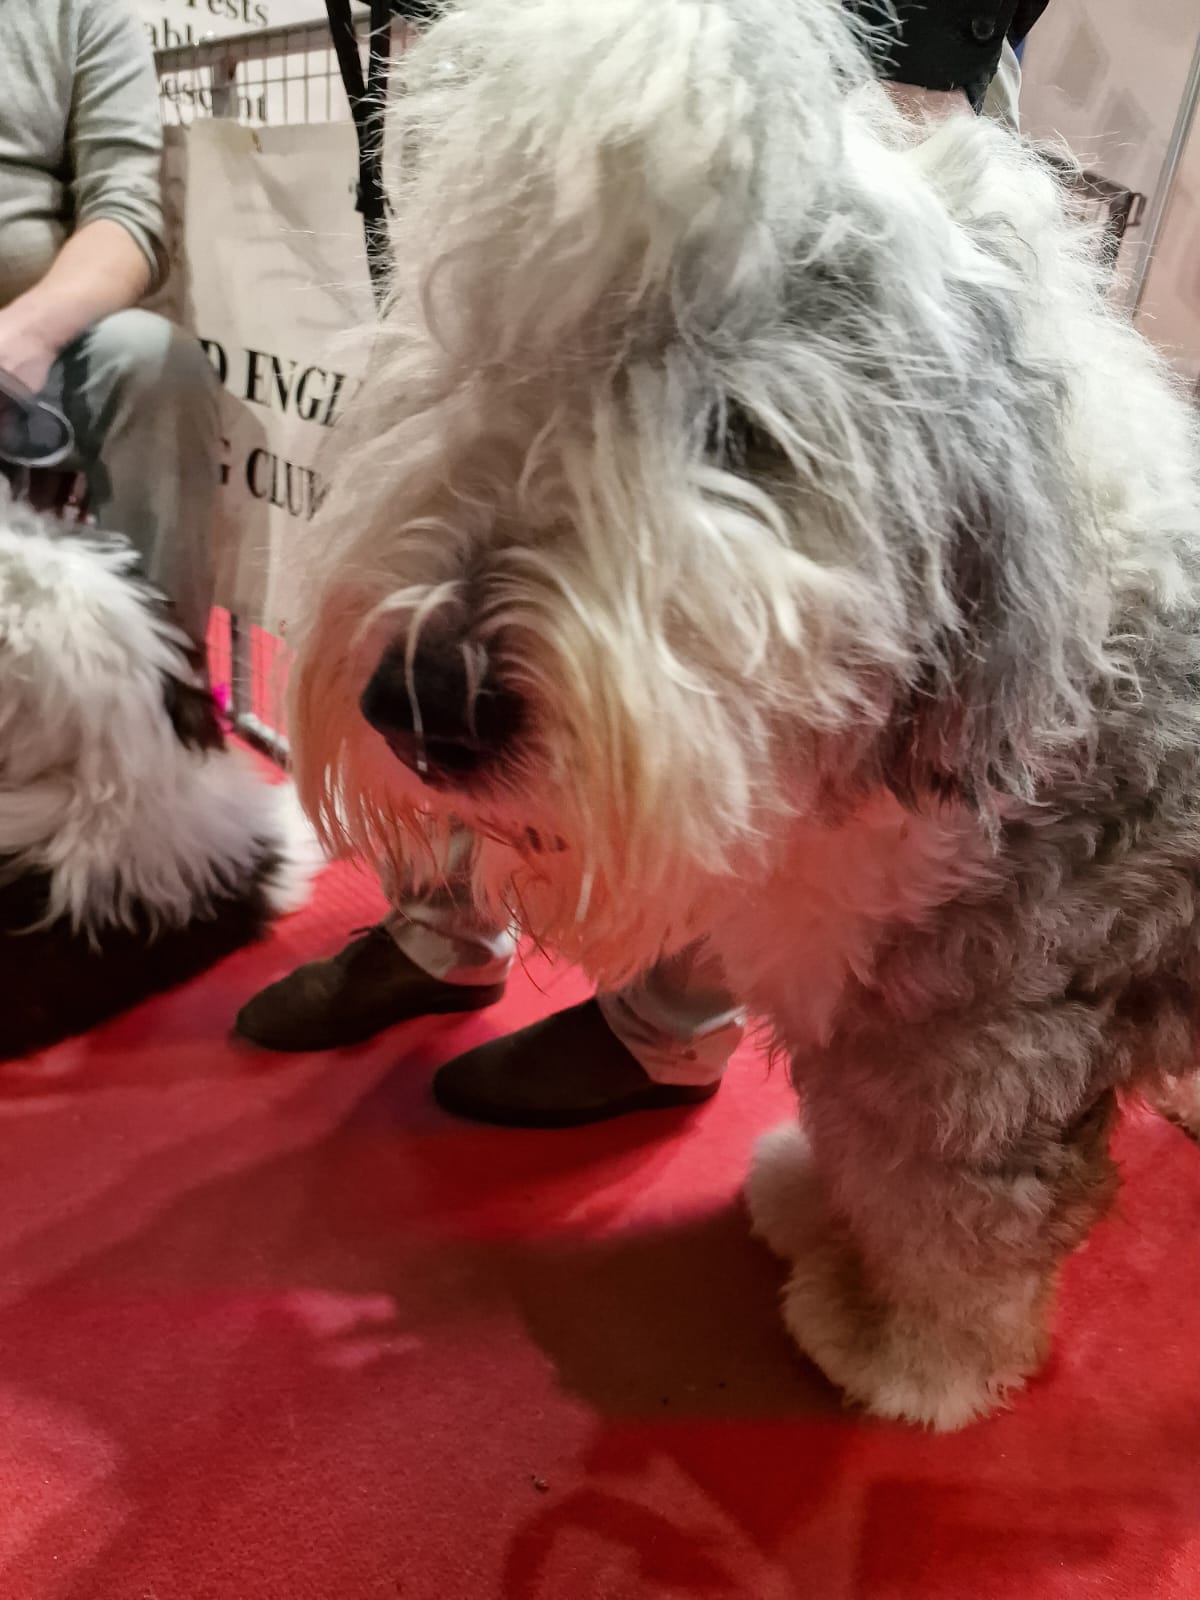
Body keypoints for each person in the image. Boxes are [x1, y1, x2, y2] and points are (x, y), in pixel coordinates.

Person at [236, 1, 1049, 1124]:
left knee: (779, 694)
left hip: (894, 63)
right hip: (591, 58)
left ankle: (666, 1025)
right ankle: (440, 926)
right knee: (474, 498)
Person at [0, 0, 219, 650]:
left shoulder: (81, 12)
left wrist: (23, 337)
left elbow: (124, 211)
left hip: (32, 347)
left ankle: (159, 680)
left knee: (156, 360)